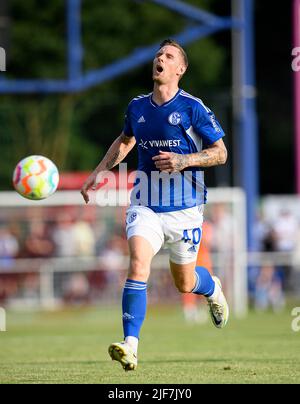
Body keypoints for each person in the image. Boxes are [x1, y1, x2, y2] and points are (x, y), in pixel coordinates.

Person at [81, 39, 229, 371]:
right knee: (138, 265)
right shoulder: (137, 107)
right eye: (158, 55)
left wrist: (184, 160)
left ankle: (212, 288)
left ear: (181, 68)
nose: (160, 58)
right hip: (145, 203)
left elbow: (221, 153)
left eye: (169, 56)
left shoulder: (193, 108)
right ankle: (130, 345)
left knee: (185, 284)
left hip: (186, 208)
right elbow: (125, 140)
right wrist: (99, 171)